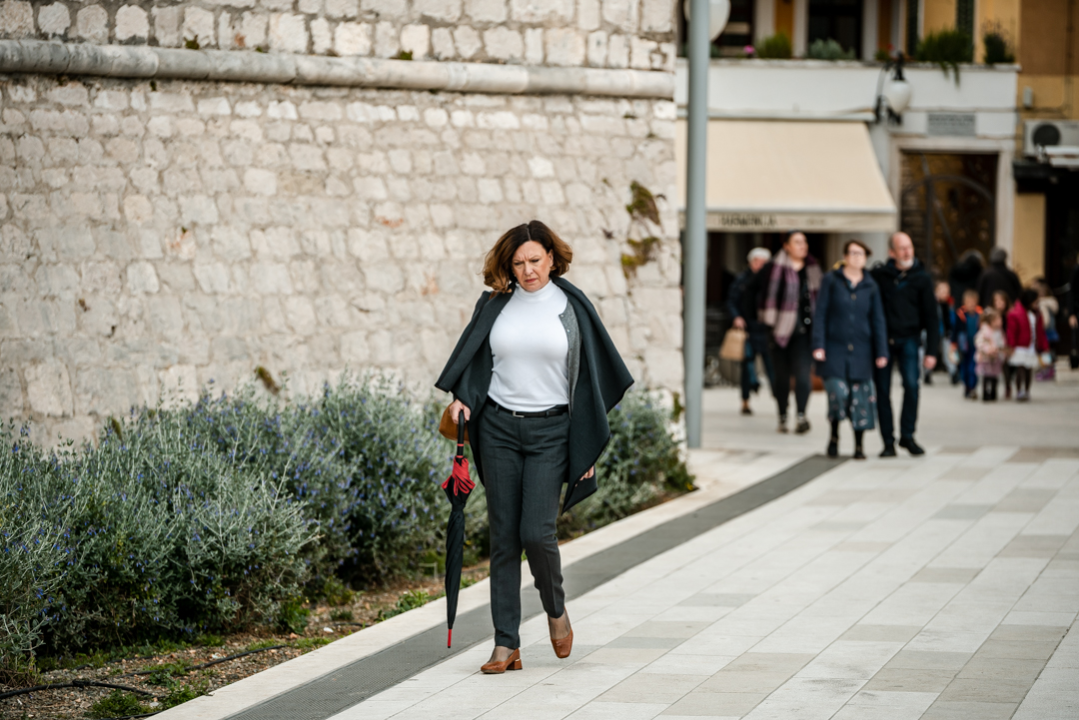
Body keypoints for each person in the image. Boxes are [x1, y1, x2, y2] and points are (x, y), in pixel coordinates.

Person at [435, 220, 632, 674]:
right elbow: (474, 361)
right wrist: (464, 398)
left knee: (536, 533)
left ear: (552, 258)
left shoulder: (571, 306)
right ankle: (506, 644)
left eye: (535, 261)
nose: (527, 271)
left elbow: (591, 382)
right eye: (519, 263)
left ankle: (556, 609)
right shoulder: (493, 306)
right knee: (503, 537)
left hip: (553, 433)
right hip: (498, 429)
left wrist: (585, 451)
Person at [812, 240, 888, 460]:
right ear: (845, 256)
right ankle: (834, 435)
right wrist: (818, 344)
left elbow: (878, 320)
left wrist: (881, 351)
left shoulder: (870, 285)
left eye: (861, 254)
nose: (857, 257)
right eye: (853, 253)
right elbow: (821, 314)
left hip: (862, 350)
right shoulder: (831, 281)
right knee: (837, 393)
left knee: (861, 399)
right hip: (835, 348)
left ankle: (858, 445)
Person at [870, 232, 939, 457]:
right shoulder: (880, 276)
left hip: (910, 339)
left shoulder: (922, 278)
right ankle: (888, 441)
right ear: (892, 252)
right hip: (884, 341)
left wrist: (932, 351)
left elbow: (932, 317)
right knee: (882, 391)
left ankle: (907, 436)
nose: (907, 252)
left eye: (909, 247)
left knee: (911, 386)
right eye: (902, 248)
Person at [747, 231, 822, 434]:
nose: (802, 245)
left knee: (803, 375)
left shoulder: (812, 268)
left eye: (804, 241)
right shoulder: (773, 268)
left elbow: (821, 299)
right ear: (786, 246)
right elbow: (750, 290)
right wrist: (760, 320)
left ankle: (801, 416)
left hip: (805, 332)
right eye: (797, 242)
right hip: (777, 330)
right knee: (781, 377)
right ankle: (782, 415)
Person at [728, 247, 774, 415]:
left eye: (763, 262)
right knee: (747, 366)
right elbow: (732, 301)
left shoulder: (772, 281)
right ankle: (746, 400)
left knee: (772, 368)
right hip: (747, 329)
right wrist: (736, 317)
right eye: (756, 261)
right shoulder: (741, 280)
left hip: (766, 330)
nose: (759, 265)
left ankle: (779, 402)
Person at [1006, 288, 1049, 402]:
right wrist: (1011, 345)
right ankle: (1019, 391)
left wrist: (1044, 346)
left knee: (1029, 369)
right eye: (1035, 301)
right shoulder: (1015, 313)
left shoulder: (1037, 314)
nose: (1037, 304)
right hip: (1020, 346)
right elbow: (1011, 331)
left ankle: (1027, 390)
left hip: (1031, 346)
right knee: (1020, 368)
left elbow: (1040, 331)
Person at [952, 289, 982, 400]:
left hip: (977, 347)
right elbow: (955, 331)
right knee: (963, 367)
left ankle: (972, 387)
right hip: (963, 346)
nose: (971, 305)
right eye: (969, 302)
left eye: (973, 302)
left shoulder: (980, 314)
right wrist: (953, 344)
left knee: (973, 368)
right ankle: (967, 387)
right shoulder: (960, 314)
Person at [975, 308, 1005, 401]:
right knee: (986, 376)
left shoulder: (999, 332)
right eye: (998, 320)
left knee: (994, 376)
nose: (1000, 322)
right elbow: (978, 342)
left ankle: (993, 393)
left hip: (995, 357)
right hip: (986, 358)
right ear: (991, 321)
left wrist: (999, 349)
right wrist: (987, 349)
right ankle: (985, 394)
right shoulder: (984, 331)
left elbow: (1002, 342)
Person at [990, 290, 1014, 399]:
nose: (999, 303)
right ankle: (993, 389)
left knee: (1006, 367)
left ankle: (1008, 386)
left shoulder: (1010, 314)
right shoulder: (990, 315)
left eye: (1002, 301)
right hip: (993, 344)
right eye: (997, 301)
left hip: (1006, 344)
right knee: (993, 366)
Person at [932, 280, 957, 384]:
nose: (944, 293)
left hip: (947, 333)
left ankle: (954, 372)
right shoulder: (932, 304)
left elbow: (953, 320)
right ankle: (927, 372)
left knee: (949, 353)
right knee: (930, 352)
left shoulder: (950, 305)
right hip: (934, 332)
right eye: (941, 291)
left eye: (946, 291)